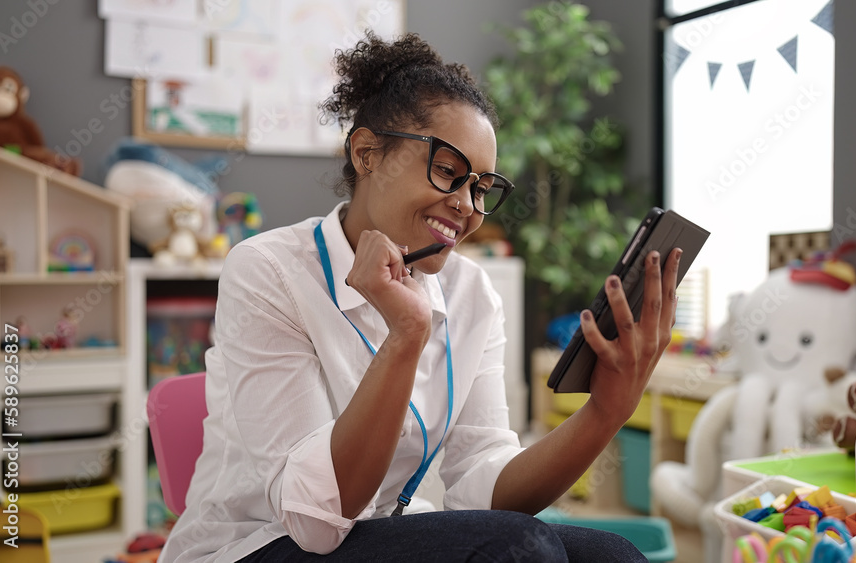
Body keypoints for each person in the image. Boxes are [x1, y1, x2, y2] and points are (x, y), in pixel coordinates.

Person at [159, 31, 681, 563]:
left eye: (480, 187)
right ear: (367, 154)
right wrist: (407, 334)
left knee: (611, 555)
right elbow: (315, 521)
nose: (467, 206)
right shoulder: (267, 270)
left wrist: (606, 412)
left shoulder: (472, 292)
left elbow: (486, 484)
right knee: (520, 548)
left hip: (375, 534)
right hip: (260, 543)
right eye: (449, 172)